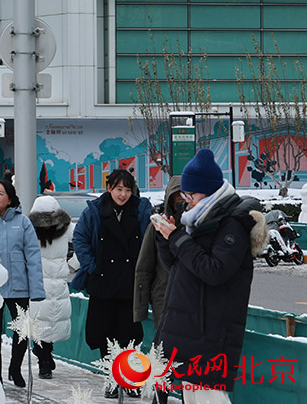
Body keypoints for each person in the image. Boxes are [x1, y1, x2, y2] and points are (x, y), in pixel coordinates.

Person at [152, 149, 266, 404]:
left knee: (209, 397)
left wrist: (178, 238)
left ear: (208, 191)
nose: (187, 200)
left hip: (211, 334)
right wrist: (165, 239)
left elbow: (215, 271)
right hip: (193, 331)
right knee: (193, 397)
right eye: (185, 195)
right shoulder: (199, 219)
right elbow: (179, 268)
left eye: (190, 194)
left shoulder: (231, 224)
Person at [70, 169, 151, 399]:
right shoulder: (95, 211)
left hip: (130, 283)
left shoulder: (140, 210)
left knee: (130, 336)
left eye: (127, 189)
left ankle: (130, 380)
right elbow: (80, 239)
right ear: (109, 188)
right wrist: (93, 267)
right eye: (118, 189)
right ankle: (112, 380)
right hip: (103, 283)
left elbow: (149, 240)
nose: (123, 194)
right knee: (106, 335)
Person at [0, 179, 45, 388]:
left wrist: (36, 289)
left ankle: (15, 368)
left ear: (10, 199)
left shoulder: (23, 222)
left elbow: (33, 256)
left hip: (18, 286)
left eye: (0, 194)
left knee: (22, 332)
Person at [133, 174, 183, 404]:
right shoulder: (158, 225)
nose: (182, 200)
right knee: (164, 352)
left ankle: (185, 395)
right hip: (165, 298)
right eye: (177, 195)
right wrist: (140, 308)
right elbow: (144, 268)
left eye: (186, 195)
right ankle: (160, 395)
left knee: (187, 354)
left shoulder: (198, 225)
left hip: (191, 300)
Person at [28, 195, 74, 381]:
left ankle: (46, 356)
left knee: (53, 324)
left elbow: (84, 245)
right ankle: (44, 360)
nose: (46, 226)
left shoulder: (69, 230)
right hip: (37, 284)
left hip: (58, 283)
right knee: (39, 326)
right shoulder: (30, 231)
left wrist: (71, 266)